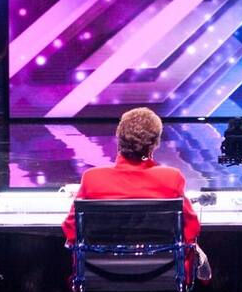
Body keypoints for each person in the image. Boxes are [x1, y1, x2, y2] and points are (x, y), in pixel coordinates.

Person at [62, 107, 210, 278]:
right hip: (163, 276)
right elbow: (191, 229)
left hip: (100, 276)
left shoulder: (92, 179)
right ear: (155, 144)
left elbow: (70, 229)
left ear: (119, 139)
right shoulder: (171, 178)